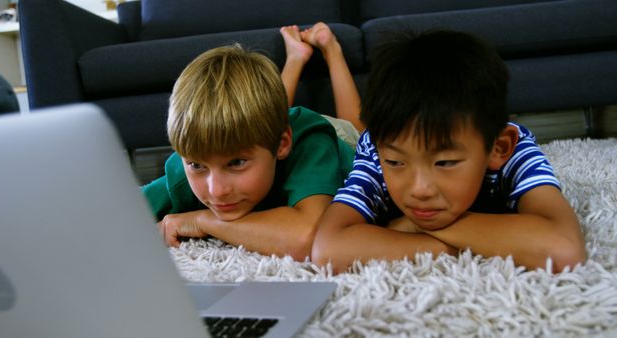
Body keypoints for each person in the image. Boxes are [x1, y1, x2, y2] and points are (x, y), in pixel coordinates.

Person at [311, 29, 586, 273]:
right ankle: (332, 52)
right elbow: (329, 249)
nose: (419, 190)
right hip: (345, 138)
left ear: (498, 148)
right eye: (396, 162)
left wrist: (415, 226)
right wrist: (476, 247)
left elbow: (563, 249)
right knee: (353, 128)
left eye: (444, 162)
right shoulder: (375, 149)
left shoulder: (513, 149)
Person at [142, 23, 359, 260]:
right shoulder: (195, 159)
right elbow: (114, 213)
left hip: (341, 139)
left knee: (357, 129)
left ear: (283, 145)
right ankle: (296, 56)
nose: (216, 191)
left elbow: (309, 238)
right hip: (272, 133)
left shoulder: (311, 144)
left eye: (236, 162)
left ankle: (331, 50)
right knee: (259, 124)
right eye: (197, 165)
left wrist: (201, 219)